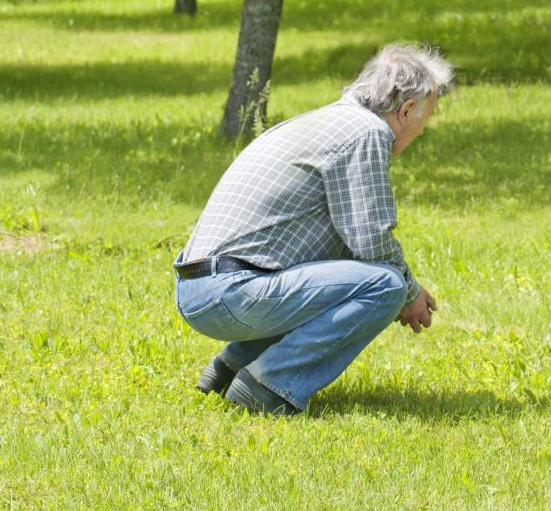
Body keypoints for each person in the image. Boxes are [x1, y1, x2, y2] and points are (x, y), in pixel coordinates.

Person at [173, 44, 450, 415]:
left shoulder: (330, 121)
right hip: (229, 292)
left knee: (341, 266)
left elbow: (348, 244)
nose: (421, 131)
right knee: (385, 284)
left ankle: (231, 369)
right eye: (425, 119)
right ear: (407, 110)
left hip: (200, 286)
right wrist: (410, 293)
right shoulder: (366, 133)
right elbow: (370, 241)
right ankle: (268, 387)